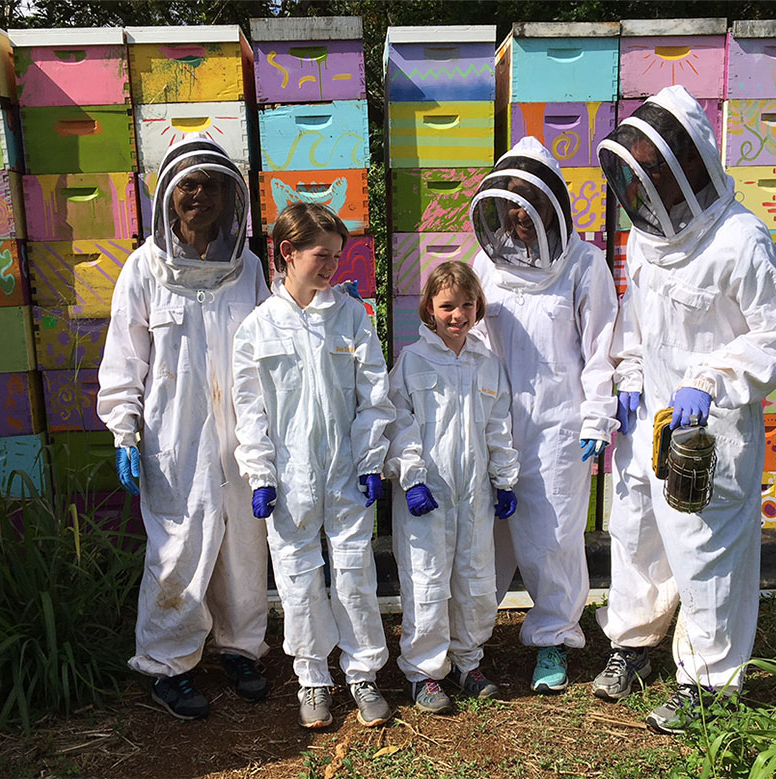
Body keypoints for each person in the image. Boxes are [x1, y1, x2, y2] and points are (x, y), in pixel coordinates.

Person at [593, 85, 776, 734]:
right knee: (638, 537)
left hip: (711, 431)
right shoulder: (646, 241)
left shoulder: (741, 240)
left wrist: (712, 380)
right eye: (642, 175)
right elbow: (637, 325)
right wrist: (627, 372)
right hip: (649, 417)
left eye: (658, 171)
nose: (649, 187)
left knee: (709, 555)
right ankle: (633, 645)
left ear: (690, 166)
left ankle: (710, 685)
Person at [97, 135, 271, 720]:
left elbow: (269, 347)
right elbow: (125, 359)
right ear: (169, 198)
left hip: (243, 437)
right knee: (177, 550)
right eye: (189, 186)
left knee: (245, 548)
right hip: (174, 439)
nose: (200, 196)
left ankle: (241, 649)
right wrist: (123, 429)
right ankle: (166, 665)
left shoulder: (247, 268)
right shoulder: (143, 269)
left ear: (230, 197)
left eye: (213, 185)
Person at [231, 202, 395, 730]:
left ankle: (363, 673)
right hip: (289, 476)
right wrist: (260, 473)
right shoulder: (258, 328)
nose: (331, 268)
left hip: (346, 469)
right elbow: (249, 407)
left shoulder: (351, 315)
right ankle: (313, 679)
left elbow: (374, 393)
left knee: (354, 573)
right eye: (321, 256)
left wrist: (371, 458)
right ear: (286, 253)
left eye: (336, 257)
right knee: (298, 577)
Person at [469, 136, 618, 693]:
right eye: (508, 202)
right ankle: (471, 640)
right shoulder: (486, 264)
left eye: (526, 200)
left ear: (552, 201)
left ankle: (554, 638)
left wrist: (597, 416)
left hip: (560, 425)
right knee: (486, 536)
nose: (516, 213)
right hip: (495, 423)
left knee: (552, 537)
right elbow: (472, 342)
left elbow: (602, 347)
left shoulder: (584, 265)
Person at [385, 261, 520, 713]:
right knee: (426, 581)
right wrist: (411, 476)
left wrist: (503, 479)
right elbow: (398, 424)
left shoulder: (487, 363)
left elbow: (498, 426)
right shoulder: (413, 360)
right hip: (427, 495)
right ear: (429, 309)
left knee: (476, 579)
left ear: (478, 307)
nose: (457, 315)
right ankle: (424, 671)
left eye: (466, 305)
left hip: (475, 494)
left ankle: (467, 660)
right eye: (447, 306)